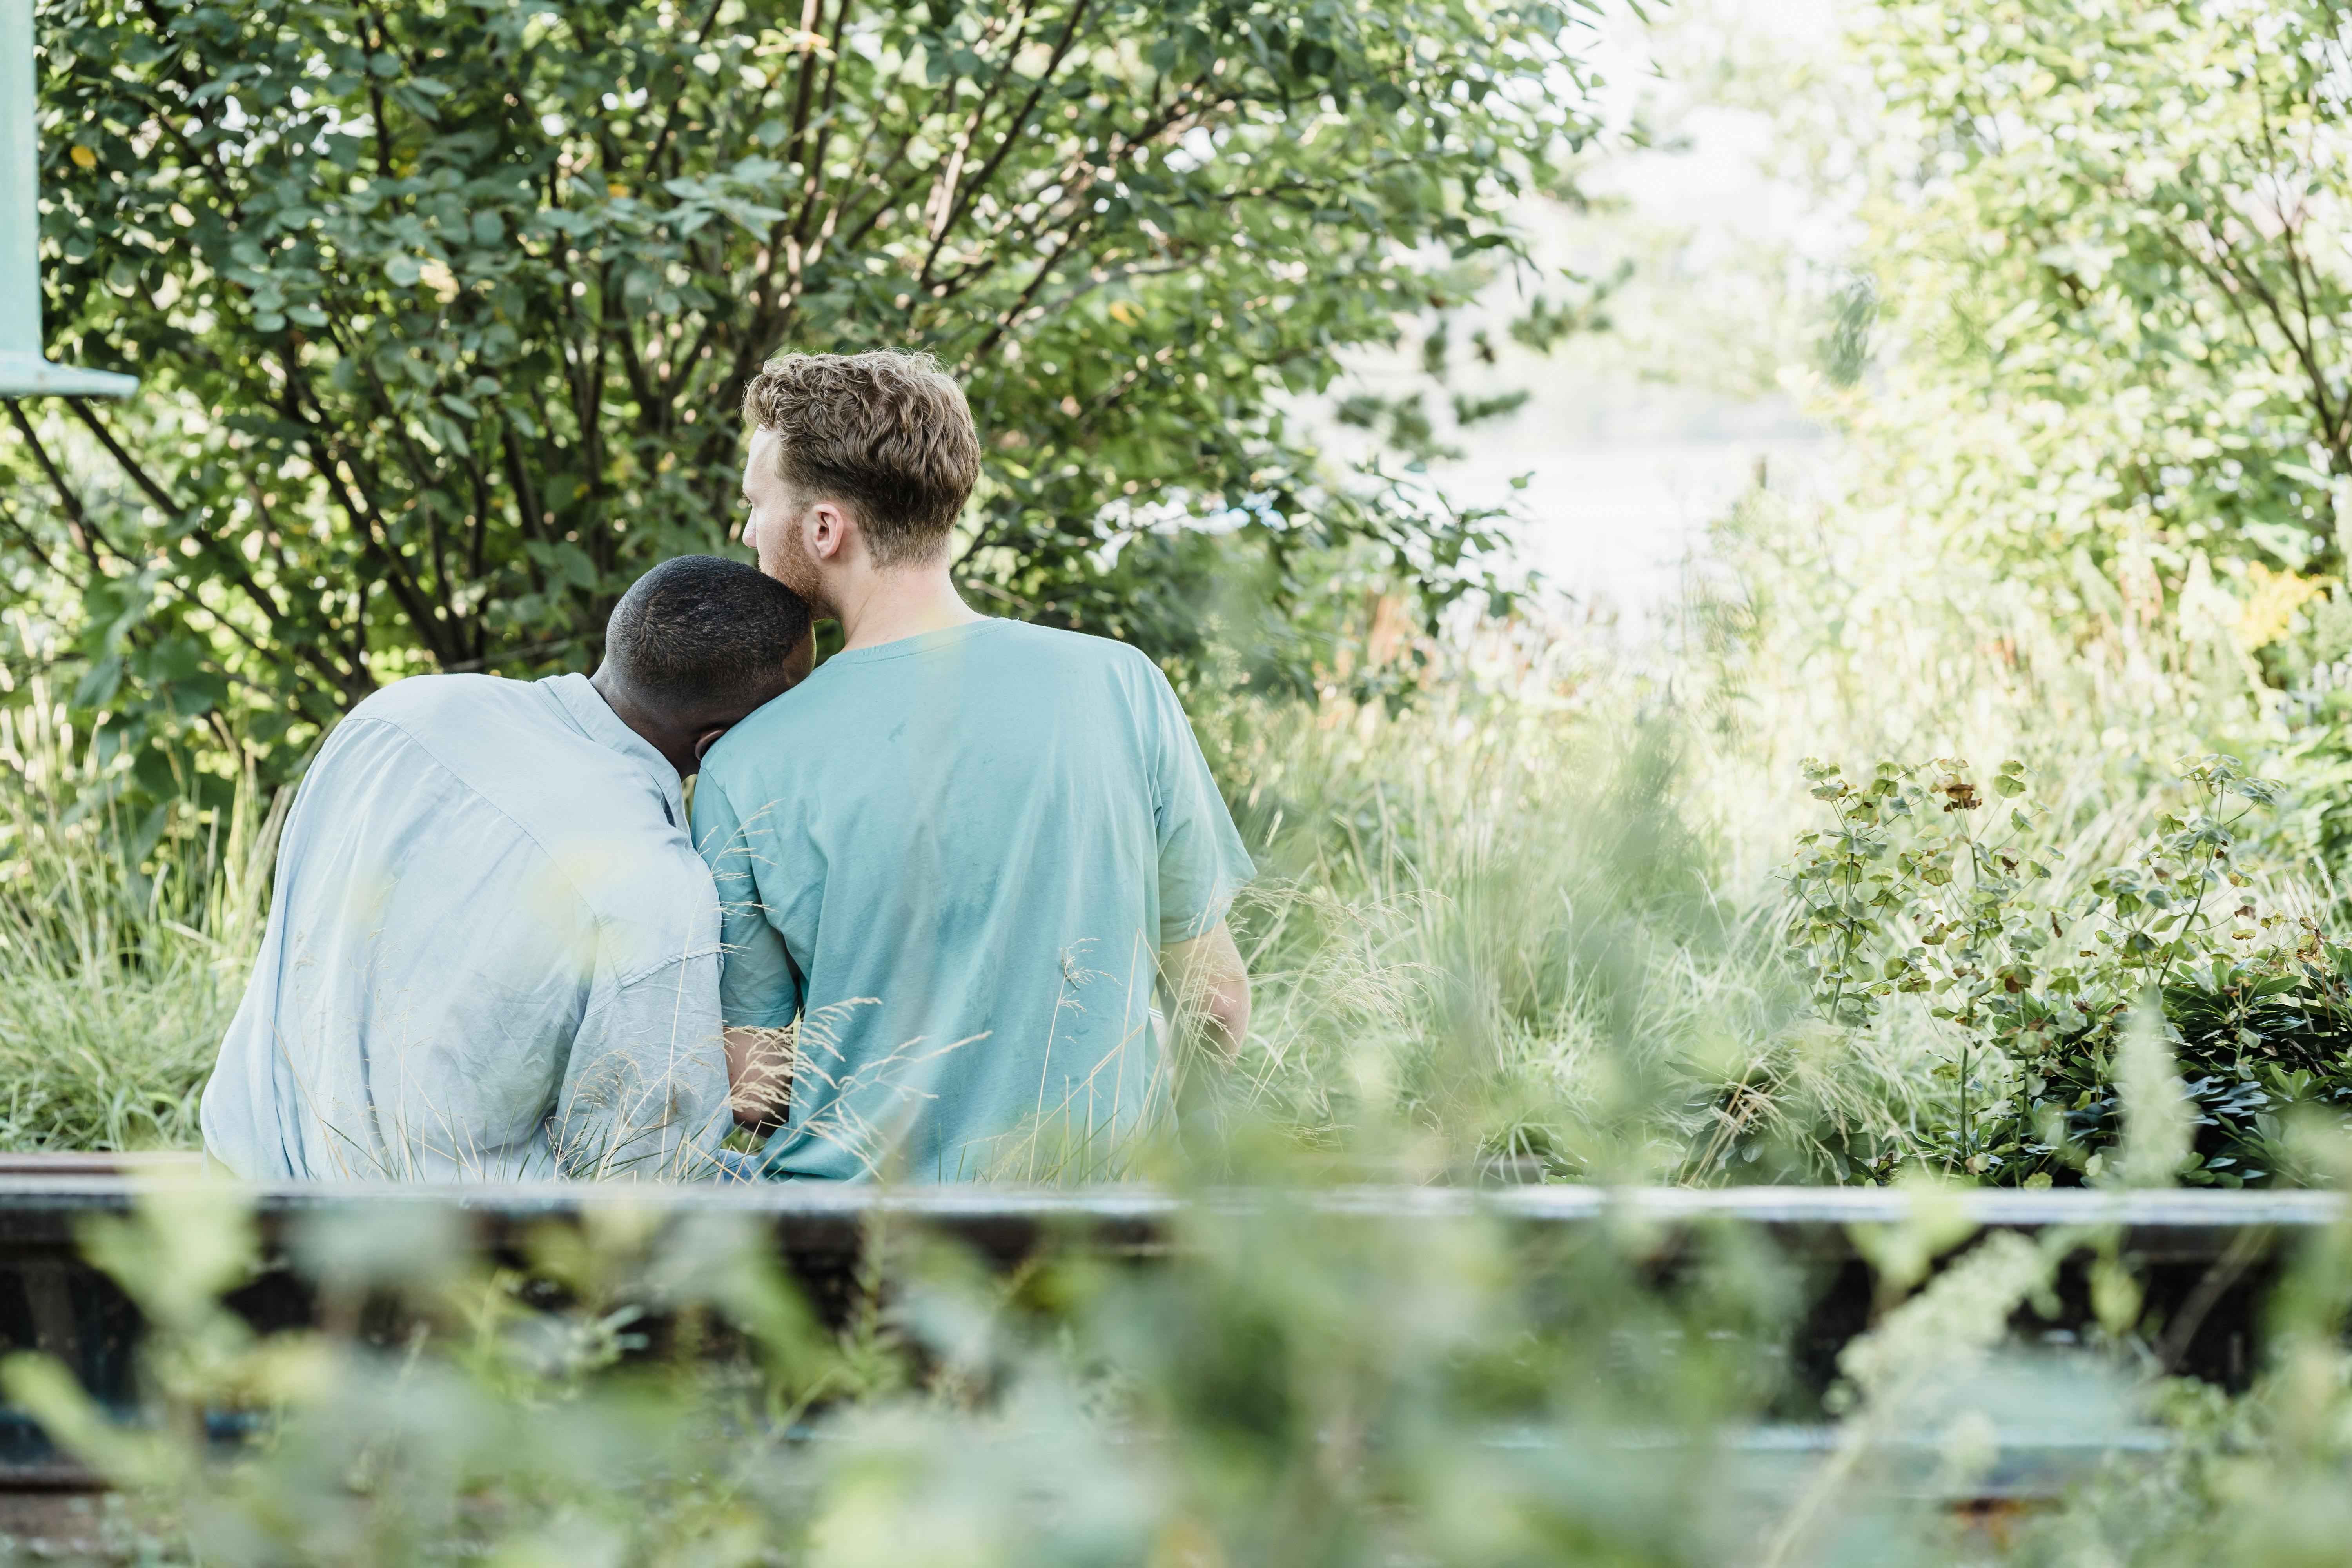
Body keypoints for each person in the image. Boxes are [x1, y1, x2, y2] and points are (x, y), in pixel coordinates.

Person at [694, 350, 1255, 1181]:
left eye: (756, 505)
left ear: (824, 528)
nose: (746, 533)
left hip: (851, 1253)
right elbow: (1217, 1003)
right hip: (1097, 1240)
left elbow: (757, 1087)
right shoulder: (1119, 683)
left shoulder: (745, 760)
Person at [200, 556, 814, 1182]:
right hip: (431, 1255)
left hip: (235, 1192)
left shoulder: (399, 713)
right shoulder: (654, 891)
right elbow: (644, 1177)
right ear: (721, 744)